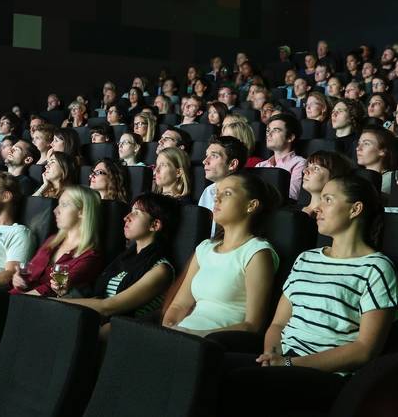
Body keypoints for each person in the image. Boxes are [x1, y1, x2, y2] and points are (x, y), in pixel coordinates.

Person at [221, 176, 398, 417]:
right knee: (205, 362)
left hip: (329, 375)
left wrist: (288, 365)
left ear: (355, 209)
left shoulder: (376, 268)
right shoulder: (307, 258)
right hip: (283, 360)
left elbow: (365, 349)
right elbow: (278, 323)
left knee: (237, 382)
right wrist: (273, 356)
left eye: (328, 199)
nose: (316, 208)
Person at [163, 172, 280, 337]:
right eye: (217, 194)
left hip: (217, 345)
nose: (216, 199)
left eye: (227, 193)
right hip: (182, 337)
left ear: (251, 205)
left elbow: (252, 325)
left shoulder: (257, 253)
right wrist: (167, 332)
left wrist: (196, 335)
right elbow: (179, 306)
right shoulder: (204, 248)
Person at [56, 193, 178, 322]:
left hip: (120, 332)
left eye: (136, 213)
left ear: (155, 225)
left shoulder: (161, 270)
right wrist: (66, 293)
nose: (126, 217)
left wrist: (55, 303)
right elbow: (97, 299)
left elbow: (108, 306)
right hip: (96, 321)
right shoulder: (125, 258)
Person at [11, 186, 102, 297]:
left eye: (64, 205)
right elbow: (29, 276)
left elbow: (52, 290)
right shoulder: (52, 240)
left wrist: (14, 301)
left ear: (82, 212)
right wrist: (19, 280)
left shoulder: (90, 257)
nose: (55, 210)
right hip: (17, 298)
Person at [198, 136, 249, 237]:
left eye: (214, 156)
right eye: (206, 155)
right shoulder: (208, 191)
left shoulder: (244, 195)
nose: (205, 161)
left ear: (232, 164)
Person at [255, 113, 306, 201]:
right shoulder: (260, 165)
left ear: (290, 137)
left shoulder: (300, 163)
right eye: (268, 130)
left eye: (276, 130)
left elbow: (291, 196)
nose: (269, 134)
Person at [301, 151, 354, 217]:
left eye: (316, 168)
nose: (305, 171)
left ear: (333, 177)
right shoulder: (295, 209)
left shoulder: (332, 218)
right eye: (308, 166)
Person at [356, 126, 396, 194]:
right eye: (359, 144)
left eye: (366, 144)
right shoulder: (355, 177)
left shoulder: (392, 179)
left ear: (382, 151)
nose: (358, 148)